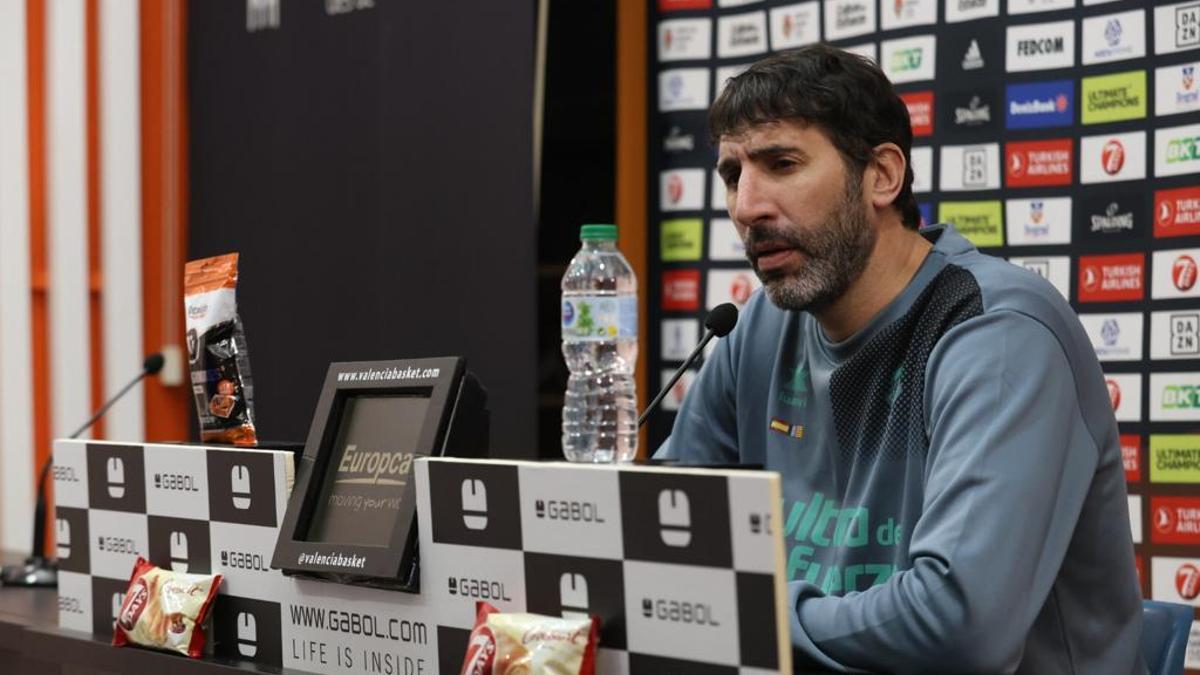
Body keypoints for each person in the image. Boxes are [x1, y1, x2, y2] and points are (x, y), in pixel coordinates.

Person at [656, 44, 1144, 674]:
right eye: (732, 175)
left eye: (781, 163)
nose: (748, 207)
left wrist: (746, 616)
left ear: (882, 175)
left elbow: (959, 627)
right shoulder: (759, 325)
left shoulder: (996, 333)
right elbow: (664, 532)